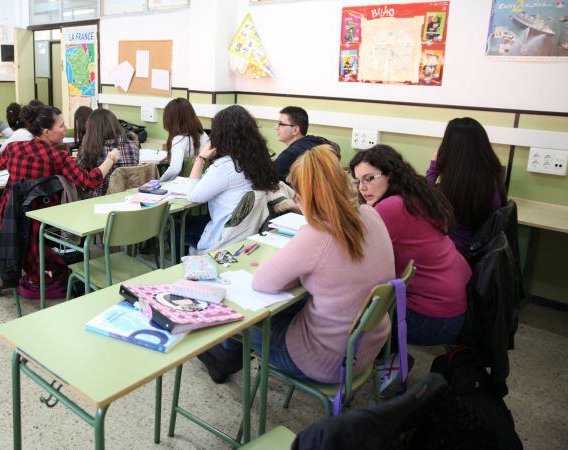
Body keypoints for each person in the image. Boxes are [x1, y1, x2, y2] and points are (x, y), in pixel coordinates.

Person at [197, 146, 395, 384]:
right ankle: (226, 356)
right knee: (289, 303)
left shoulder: (319, 234)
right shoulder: (369, 214)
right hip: (367, 345)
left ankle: (224, 358)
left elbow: (263, 282)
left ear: (303, 197)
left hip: (327, 360)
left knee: (238, 315)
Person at [0, 104, 121, 298]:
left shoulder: (14, 148)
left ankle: (0, 272)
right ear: (46, 132)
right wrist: (110, 158)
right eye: (61, 126)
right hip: (42, 222)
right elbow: (89, 181)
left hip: (8, 219)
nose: (65, 129)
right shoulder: (58, 157)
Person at [349, 145, 471, 346]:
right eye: (358, 181)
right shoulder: (417, 195)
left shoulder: (391, 207)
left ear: (391, 175)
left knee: (346, 314)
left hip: (433, 318)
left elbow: (351, 252)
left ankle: (384, 362)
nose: (362, 188)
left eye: (369, 179)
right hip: (453, 305)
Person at [184, 105, 279, 253]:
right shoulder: (260, 160)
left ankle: (182, 269)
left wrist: (200, 159)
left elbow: (193, 196)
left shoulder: (225, 167)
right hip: (247, 231)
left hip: (223, 236)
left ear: (219, 135)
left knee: (177, 228)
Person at [427, 117, 507, 253]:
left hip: (459, 249)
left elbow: (423, 199)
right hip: (479, 247)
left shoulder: (457, 183)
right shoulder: (491, 175)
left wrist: (434, 166)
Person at [76, 109, 139, 198]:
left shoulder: (90, 150)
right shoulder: (133, 146)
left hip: (98, 203)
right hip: (127, 200)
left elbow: (76, 177)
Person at [272, 106, 341, 182]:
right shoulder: (316, 141)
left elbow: (267, 177)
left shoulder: (291, 153)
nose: (276, 127)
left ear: (295, 130)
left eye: (281, 124)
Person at [159, 98, 209, 182]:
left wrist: (159, 181)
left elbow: (175, 169)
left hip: (184, 183)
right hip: (201, 181)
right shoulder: (204, 134)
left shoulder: (179, 139)